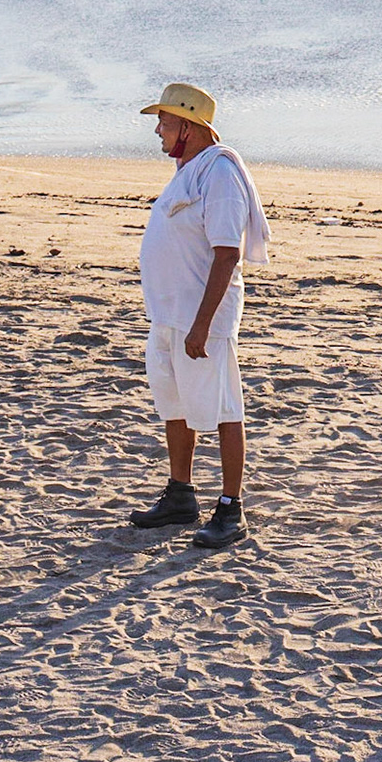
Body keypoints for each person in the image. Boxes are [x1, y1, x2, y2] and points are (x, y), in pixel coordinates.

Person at [128, 83, 270, 548]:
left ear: (188, 127)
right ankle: (180, 495)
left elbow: (227, 254)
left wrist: (202, 325)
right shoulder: (190, 170)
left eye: (165, 122)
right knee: (173, 405)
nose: (158, 131)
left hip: (199, 320)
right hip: (169, 315)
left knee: (224, 408)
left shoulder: (220, 174)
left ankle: (231, 508)